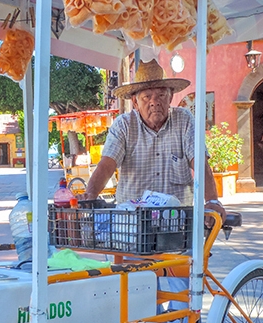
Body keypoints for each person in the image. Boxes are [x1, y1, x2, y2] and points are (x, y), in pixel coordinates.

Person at [81, 58, 226, 222]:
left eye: (161, 95)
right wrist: (91, 194)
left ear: (170, 98)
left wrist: (212, 200)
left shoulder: (184, 120)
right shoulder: (123, 125)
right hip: (132, 223)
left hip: (175, 220)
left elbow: (199, 162)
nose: (154, 102)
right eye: (147, 97)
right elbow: (107, 165)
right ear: (135, 102)